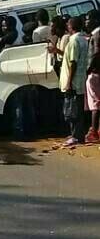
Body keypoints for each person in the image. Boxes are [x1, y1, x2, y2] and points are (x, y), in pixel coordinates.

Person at [53, 17, 89, 146]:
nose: (67, 25)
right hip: (79, 80)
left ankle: (76, 136)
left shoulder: (74, 41)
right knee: (76, 109)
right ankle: (77, 135)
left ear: (71, 26)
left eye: (68, 24)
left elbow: (73, 62)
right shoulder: (83, 39)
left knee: (72, 111)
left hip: (73, 82)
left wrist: (69, 82)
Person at [85, 53, 100, 143]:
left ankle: (94, 133)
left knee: (95, 105)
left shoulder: (96, 55)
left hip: (94, 76)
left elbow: (89, 67)